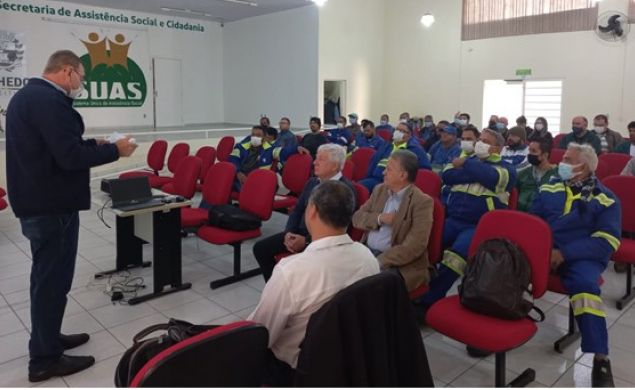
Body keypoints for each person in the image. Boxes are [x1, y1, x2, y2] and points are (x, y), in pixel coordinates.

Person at [5, 50, 137, 382]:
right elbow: (69, 157)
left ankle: (48, 338)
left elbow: (56, 146)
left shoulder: (27, 96)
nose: (82, 83)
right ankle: (45, 359)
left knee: (46, 279)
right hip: (52, 206)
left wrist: (94, 141)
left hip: (37, 201)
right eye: (82, 76)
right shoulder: (50, 101)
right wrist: (113, 151)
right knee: (52, 282)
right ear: (67, 72)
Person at [249, 180, 380, 386]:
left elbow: (260, 334)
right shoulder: (367, 257)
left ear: (311, 211)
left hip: (298, 371)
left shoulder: (291, 271)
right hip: (347, 361)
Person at [413, 129, 516, 346]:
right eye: (479, 140)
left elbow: (493, 178)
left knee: (455, 256)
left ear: (496, 148)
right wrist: (472, 167)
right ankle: (414, 289)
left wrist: (466, 164)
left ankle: (429, 302)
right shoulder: (468, 161)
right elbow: (448, 176)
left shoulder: (506, 168)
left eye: (485, 142)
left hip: (478, 226)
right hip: (453, 219)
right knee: (424, 243)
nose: (479, 143)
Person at [530, 143, 621, 387]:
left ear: (585, 168)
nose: (562, 163)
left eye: (568, 160)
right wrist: (543, 249)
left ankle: (600, 358)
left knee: (585, 288)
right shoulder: (549, 186)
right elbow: (533, 219)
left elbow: (607, 241)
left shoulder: (606, 198)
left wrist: (565, 253)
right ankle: (495, 314)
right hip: (544, 251)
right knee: (507, 265)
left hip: (582, 257)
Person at [253, 144, 355, 282]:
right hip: (298, 233)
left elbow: (337, 230)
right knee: (260, 249)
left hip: (322, 243)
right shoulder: (312, 182)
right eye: (316, 158)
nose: (314, 162)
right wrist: (289, 232)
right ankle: (275, 287)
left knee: (295, 268)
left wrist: (306, 242)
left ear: (335, 166)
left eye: (321, 159)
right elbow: (298, 209)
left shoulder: (344, 190)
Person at [352, 150, 434, 292]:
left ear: (403, 175)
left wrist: (378, 261)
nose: (383, 172)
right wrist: (379, 218)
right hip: (367, 252)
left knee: (364, 290)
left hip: (398, 264)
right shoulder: (379, 190)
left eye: (388, 169)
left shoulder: (422, 202)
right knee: (337, 274)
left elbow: (415, 246)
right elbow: (357, 218)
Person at [358, 122, 431, 193]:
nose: (398, 132)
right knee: (357, 187)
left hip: (397, 184)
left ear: (409, 135)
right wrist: (368, 177)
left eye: (402, 131)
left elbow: (424, 170)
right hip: (376, 179)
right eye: (397, 130)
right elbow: (374, 161)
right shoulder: (386, 145)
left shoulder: (415, 150)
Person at [515, 139, 558, 212]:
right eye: (529, 150)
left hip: (544, 216)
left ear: (545, 155)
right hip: (521, 213)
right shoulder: (523, 173)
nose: (529, 154)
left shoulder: (557, 175)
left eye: (534, 151)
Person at [229, 125, 275, 191]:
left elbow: (284, 152)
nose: (255, 137)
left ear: (264, 137)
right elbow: (233, 159)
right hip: (239, 176)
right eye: (253, 135)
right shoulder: (240, 147)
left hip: (258, 179)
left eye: (258, 135)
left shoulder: (271, 149)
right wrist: (238, 172)